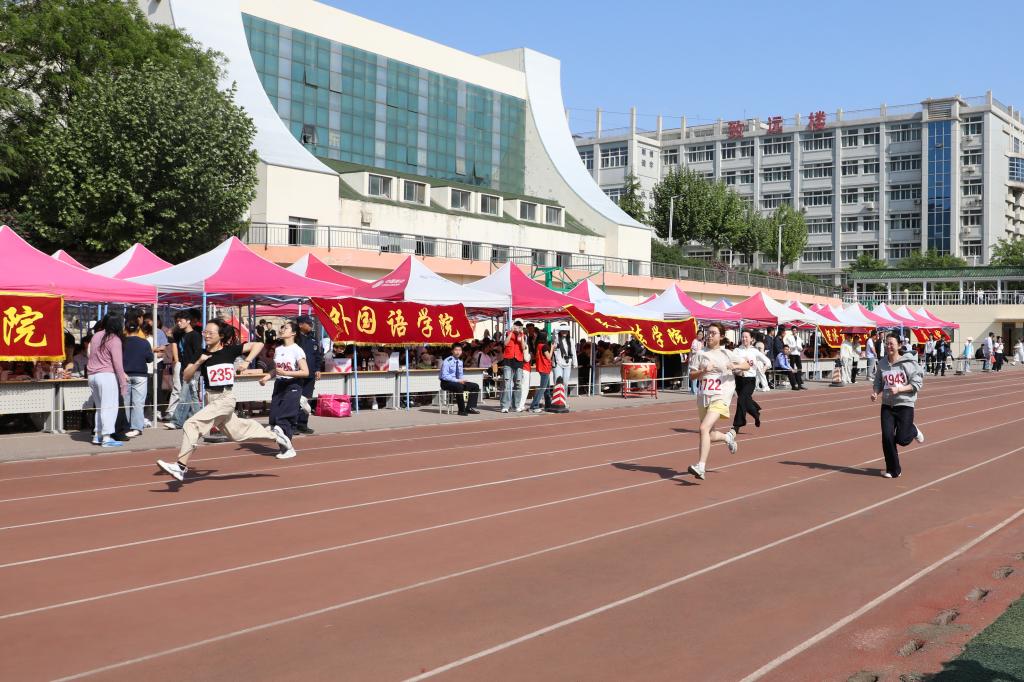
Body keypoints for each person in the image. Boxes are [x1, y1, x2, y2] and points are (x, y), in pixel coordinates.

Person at [157, 319, 292, 482]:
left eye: (210, 333)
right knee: (237, 433)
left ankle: (180, 466)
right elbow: (186, 376)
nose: (206, 335)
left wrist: (247, 361)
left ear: (220, 336)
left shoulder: (230, 351)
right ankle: (277, 436)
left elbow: (258, 344)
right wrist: (199, 361)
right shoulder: (201, 353)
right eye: (205, 332)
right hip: (211, 398)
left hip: (225, 398)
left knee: (191, 424)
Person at [686, 322, 749, 480]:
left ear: (721, 336)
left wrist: (734, 366)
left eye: (713, 333)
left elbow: (746, 365)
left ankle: (701, 467)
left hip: (721, 396)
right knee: (710, 434)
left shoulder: (727, 353)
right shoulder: (699, 353)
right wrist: (703, 371)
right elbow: (691, 376)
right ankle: (728, 437)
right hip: (703, 396)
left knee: (703, 428)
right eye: (708, 332)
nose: (709, 335)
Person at [871, 332, 926, 478]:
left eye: (892, 344)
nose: (888, 346)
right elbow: (878, 382)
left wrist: (900, 389)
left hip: (904, 404)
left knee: (902, 439)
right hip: (887, 405)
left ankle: (912, 430)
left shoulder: (908, 363)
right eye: (887, 343)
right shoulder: (882, 363)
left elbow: (917, 384)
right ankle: (893, 470)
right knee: (887, 437)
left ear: (899, 345)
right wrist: (875, 392)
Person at [261, 320, 308, 456]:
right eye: (282, 327)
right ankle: (286, 449)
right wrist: (267, 377)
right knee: (274, 419)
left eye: (286, 328)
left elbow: (305, 372)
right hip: (279, 384)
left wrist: (287, 373)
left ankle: (288, 449)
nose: (282, 330)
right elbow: (276, 370)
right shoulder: (278, 349)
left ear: (293, 333)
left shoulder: (297, 350)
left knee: (283, 419)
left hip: (293, 384)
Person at [87, 313, 128, 447]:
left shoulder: (96, 335)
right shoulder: (115, 339)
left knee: (100, 407)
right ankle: (106, 437)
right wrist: (123, 384)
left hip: (92, 375)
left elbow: (90, 355)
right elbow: (118, 364)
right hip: (106, 376)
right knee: (109, 407)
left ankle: (98, 435)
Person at [166, 310, 203, 429]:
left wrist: (191, 366)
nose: (178, 323)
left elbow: (198, 352)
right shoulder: (180, 335)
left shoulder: (195, 335)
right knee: (192, 395)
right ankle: (198, 419)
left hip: (193, 368)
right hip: (184, 367)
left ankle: (177, 421)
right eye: (177, 321)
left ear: (188, 321)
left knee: (184, 394)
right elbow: (169, 334)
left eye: (180, 321)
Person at [730, 329, 768, 435]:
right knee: (746, 401)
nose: (744, 339)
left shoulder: (754, 351)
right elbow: (731, 362)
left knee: (741, 400)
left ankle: (736, 426)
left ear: (751, 339)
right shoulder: (737, 350)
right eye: (742, 337)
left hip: (750, 380)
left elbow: (767, 361)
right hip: (739, 379)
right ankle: (756, 413)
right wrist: (736, 369)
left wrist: (764, 368)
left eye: (746, 337)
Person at [122, 319, 154, 438]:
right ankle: (136, 428)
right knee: (138, 403)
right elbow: (150, 359)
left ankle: (125, 426)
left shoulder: (121, 342)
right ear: (138, 329)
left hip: (124, 374)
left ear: (125, 329)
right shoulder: (144, 342)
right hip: (140, 375)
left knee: (125, 403)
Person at [294, 315, 323, 435]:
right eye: (308, 323)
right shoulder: (295, 338)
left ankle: (303, 424)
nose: (311, 325)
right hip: (297, 374)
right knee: (295, 399)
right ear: (301, 325)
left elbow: (318, 356)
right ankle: (293, 424)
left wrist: (317, 369)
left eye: (311, 323)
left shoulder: (313, 338)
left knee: (305, 400)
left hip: (310, 375)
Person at [439, 342, 480, 416]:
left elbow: (460, 375)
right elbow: (444, 376)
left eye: (460, 350)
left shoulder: (460, 362)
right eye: (456, 350)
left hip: (457, 382)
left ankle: (469, 408)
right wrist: (458, 381)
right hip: (446, 382)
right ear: (452, 351)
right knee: (459, 387)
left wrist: (462, 380)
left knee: (475, 386)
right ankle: (461, 410)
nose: (458, 352)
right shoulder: (447, 361)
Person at [500, 321, 528, 413]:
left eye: (520, 326)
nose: (518, 328)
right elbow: (505, 343)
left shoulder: (523, 335)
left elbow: (523, 347)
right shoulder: (508, 333)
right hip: (508, 359)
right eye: (516, 326)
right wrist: (512, 331)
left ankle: (516, 405)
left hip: (518, 360)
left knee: (518, 383)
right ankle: (505, 405)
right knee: (507, 383)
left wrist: (522, 335)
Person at [529, 330, 553, 413]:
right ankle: (534, 405)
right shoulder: (544, 346)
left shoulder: (538, 345)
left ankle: (548, 405)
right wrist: (552, 348)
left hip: (541, 367)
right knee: (542, 388)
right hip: (545, 368)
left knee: (546, 388)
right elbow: (549, 357)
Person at [551, 325, 577, 391]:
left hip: (567, 363)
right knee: (558, 382)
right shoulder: (556, 339)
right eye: (563, 330)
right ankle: (557, 396)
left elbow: (573, 351)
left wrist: (575, 362)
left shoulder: (570, 340)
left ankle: (564, 397)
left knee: (565, 382)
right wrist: (563, 328)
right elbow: (555, 330)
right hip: (557, 363)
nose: (564, 332)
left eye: (566, 331)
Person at [688, 329, 705, 394]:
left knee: (699, 374)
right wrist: (700, 350)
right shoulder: (694, 341)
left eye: (701, 334)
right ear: (697, 335)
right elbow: (693, 350)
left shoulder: (702, 342)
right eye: (699, 334)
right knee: (694, 375)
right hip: (694, 360)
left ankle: (695, 389)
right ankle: (693, 390)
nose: (700, 336)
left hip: (700, 360)